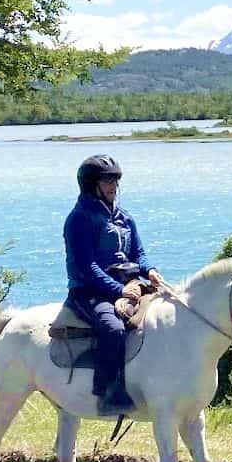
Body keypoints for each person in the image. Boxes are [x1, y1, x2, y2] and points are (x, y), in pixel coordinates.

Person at [63, 155, 165, 415]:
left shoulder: (125, 217)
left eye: (115, 181)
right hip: (90, 292)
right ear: (91, 185)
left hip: (127, 285)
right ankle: (108, 392)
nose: (113, 187)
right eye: (107, 181)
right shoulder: (79, 219)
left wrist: (149, 270)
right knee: (112, 328)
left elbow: (138, 253)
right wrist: (119, 290)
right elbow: (87, 267)